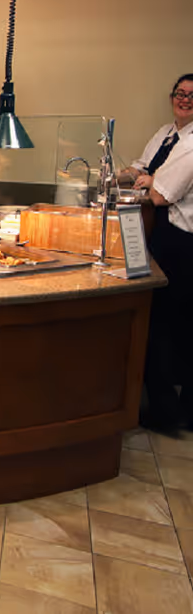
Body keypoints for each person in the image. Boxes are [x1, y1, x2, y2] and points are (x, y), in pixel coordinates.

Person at [125, 74, 193, 434]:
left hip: (182, 243)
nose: (184, 100)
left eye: (192, 96)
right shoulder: (168, 133)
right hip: (165, 235)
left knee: (164, 326)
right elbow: (141, 167)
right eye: (180, 94)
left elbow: (161, 195)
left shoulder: (192, 144)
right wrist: (116, 174)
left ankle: (168, 413)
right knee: (170, 325)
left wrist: (151, 182)